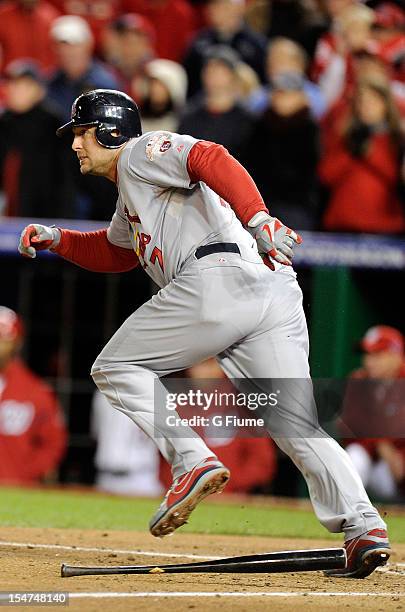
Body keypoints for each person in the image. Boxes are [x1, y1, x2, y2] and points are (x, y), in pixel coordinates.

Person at [18, 88, 390, 578]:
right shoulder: (133, 191)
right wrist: (60, 240)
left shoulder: (138, 154)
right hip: (267, 289)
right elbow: (118, 252)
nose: (75, 145)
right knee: (293, 420)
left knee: (115, 366)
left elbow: (208, 155)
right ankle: (363, 525)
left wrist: (258, 217)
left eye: (82, 133)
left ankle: (191, 459)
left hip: (219, 278)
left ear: (110, 130)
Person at [319, 75, 405, 233]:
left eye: (373, 101)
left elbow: (396, 178)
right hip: (342, 223)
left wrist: (369, 152)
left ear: (386, 104)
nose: (367, 107)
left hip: (385, 225)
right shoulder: (343, 136)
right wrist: (351, 150)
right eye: (362, 102)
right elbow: (326, 175)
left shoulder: (396, 138)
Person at [0, 306, 67, 485]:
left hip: (14, 488)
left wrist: (26, 474)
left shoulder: (34, 391)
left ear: (16, 343)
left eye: (2, 338)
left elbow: (53, 443)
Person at [339, 325, 405, 502]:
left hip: (397, 465)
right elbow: (348, 429)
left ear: (396, 356)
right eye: (367, 355)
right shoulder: (359, 381)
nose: (369, 361)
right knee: (354, 456)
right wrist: (381, 443)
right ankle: (348, 513)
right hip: (374, 461)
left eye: (377, 355)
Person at [0, 59, 73, 218]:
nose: (16, 91)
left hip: (47, 214)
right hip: (9, 214)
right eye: (12, 84)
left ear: (39, 90)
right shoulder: (4, 122)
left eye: (24, 86)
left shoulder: (53, 123)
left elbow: (66, 179)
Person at [178, 46, 255, 164]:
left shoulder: (248, 120)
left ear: (233, 76)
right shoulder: (189, 115)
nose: (213, 75)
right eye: (209, 69)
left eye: (220, 70)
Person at [92, 389, 163, 496]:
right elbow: (96, 434)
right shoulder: (101, 393)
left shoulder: (155, 393)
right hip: (105, 478)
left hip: (141, 479)